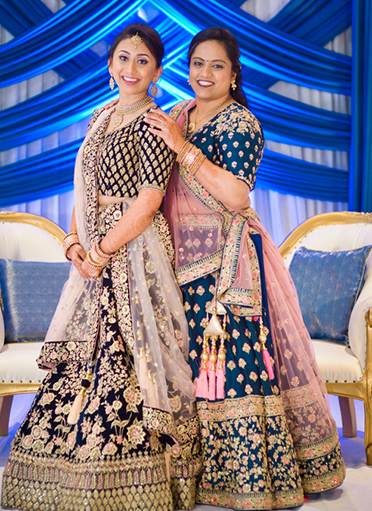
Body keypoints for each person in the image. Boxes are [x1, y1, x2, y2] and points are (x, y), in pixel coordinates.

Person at [144, 27, 346, 510]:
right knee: (186, 369)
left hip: (225, 268)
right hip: (178, 263)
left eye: (217, 66)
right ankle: (188, 475)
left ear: (234, 75)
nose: (205, 74)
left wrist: (182, 149)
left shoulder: (242, 125)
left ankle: (246, 478)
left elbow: (237, 195)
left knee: (230, 367)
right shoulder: (178, 115)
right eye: (197, 64)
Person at [1, 24, 201, 511]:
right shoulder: (99, 116)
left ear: (156, 70)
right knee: (81, 357)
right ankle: (61, 476)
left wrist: (103, 251)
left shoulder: (154, 123)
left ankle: (134, 483)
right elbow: (83, 190)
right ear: (110, 65)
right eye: (123, 57)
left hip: (132, 254)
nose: (131, 68)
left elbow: (149, 201)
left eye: (143, 60)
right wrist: (73, 240)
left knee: (131, 356)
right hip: (92, 254)